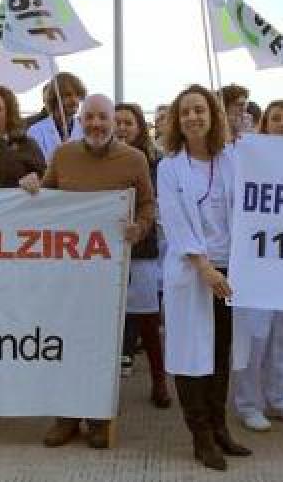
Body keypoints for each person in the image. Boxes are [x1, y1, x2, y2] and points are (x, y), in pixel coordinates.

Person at [21, 93, 156, 451]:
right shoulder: (64, 154)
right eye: (90, 117)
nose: (96, 124)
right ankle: (66, 416)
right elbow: (46, 196)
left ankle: (98, 418)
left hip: (108, 271)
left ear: (113, 121)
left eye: (102, 117)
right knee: (66, 341)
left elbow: (147, 204)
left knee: (103, 346)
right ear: (80, 120)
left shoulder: (135, 159)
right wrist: (32, 187)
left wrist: (139, 228)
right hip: (67, 270)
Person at [156, 84, 250, 470]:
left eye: (200, 110)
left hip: (231, 271)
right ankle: (201, 437)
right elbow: (176, 223)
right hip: (193, 271)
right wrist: (204, 267)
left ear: (214, 116)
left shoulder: (232, 160)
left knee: (220, 354)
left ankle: (220, 428)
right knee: (191, 356)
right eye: (185, 112)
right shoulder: (169, 167)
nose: (193, 117)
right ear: (177, 121)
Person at [232, 100, 283, 433]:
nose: (282, 124)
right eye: (275, 119)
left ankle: (279, 397)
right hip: (256, 259)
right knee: (256, 333)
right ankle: (248, 403)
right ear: (264, 126)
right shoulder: (245, 158)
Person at [114, 101, 169, 409]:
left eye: (128, 122)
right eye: (117, 122)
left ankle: (159, 380)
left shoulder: (155, 163)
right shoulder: (102, 160)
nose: (122, 128)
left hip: (143, 250)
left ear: (139, 127)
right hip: (105, 251)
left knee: (148, 319)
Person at [27, 73, 86, 162]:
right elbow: (38, 167)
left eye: (77, 95)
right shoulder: (36, 131)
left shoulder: (84, 130)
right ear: (54, 98)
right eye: (68, 95)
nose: (74, 101)